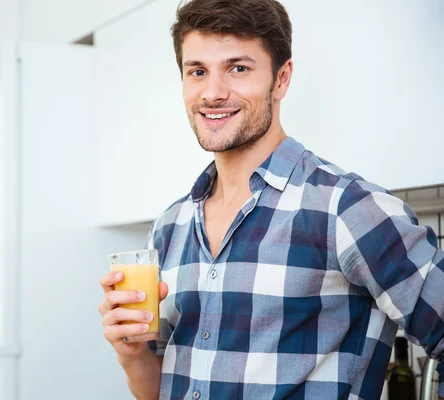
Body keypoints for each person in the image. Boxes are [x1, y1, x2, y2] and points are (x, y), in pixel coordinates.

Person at [98, 0, 444, 398]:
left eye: (238, 68)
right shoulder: (169, 227)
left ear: (281, 79)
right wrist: (132, 356)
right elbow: (163, 390)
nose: (212, 93)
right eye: (197, 72)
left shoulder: (346, 209)